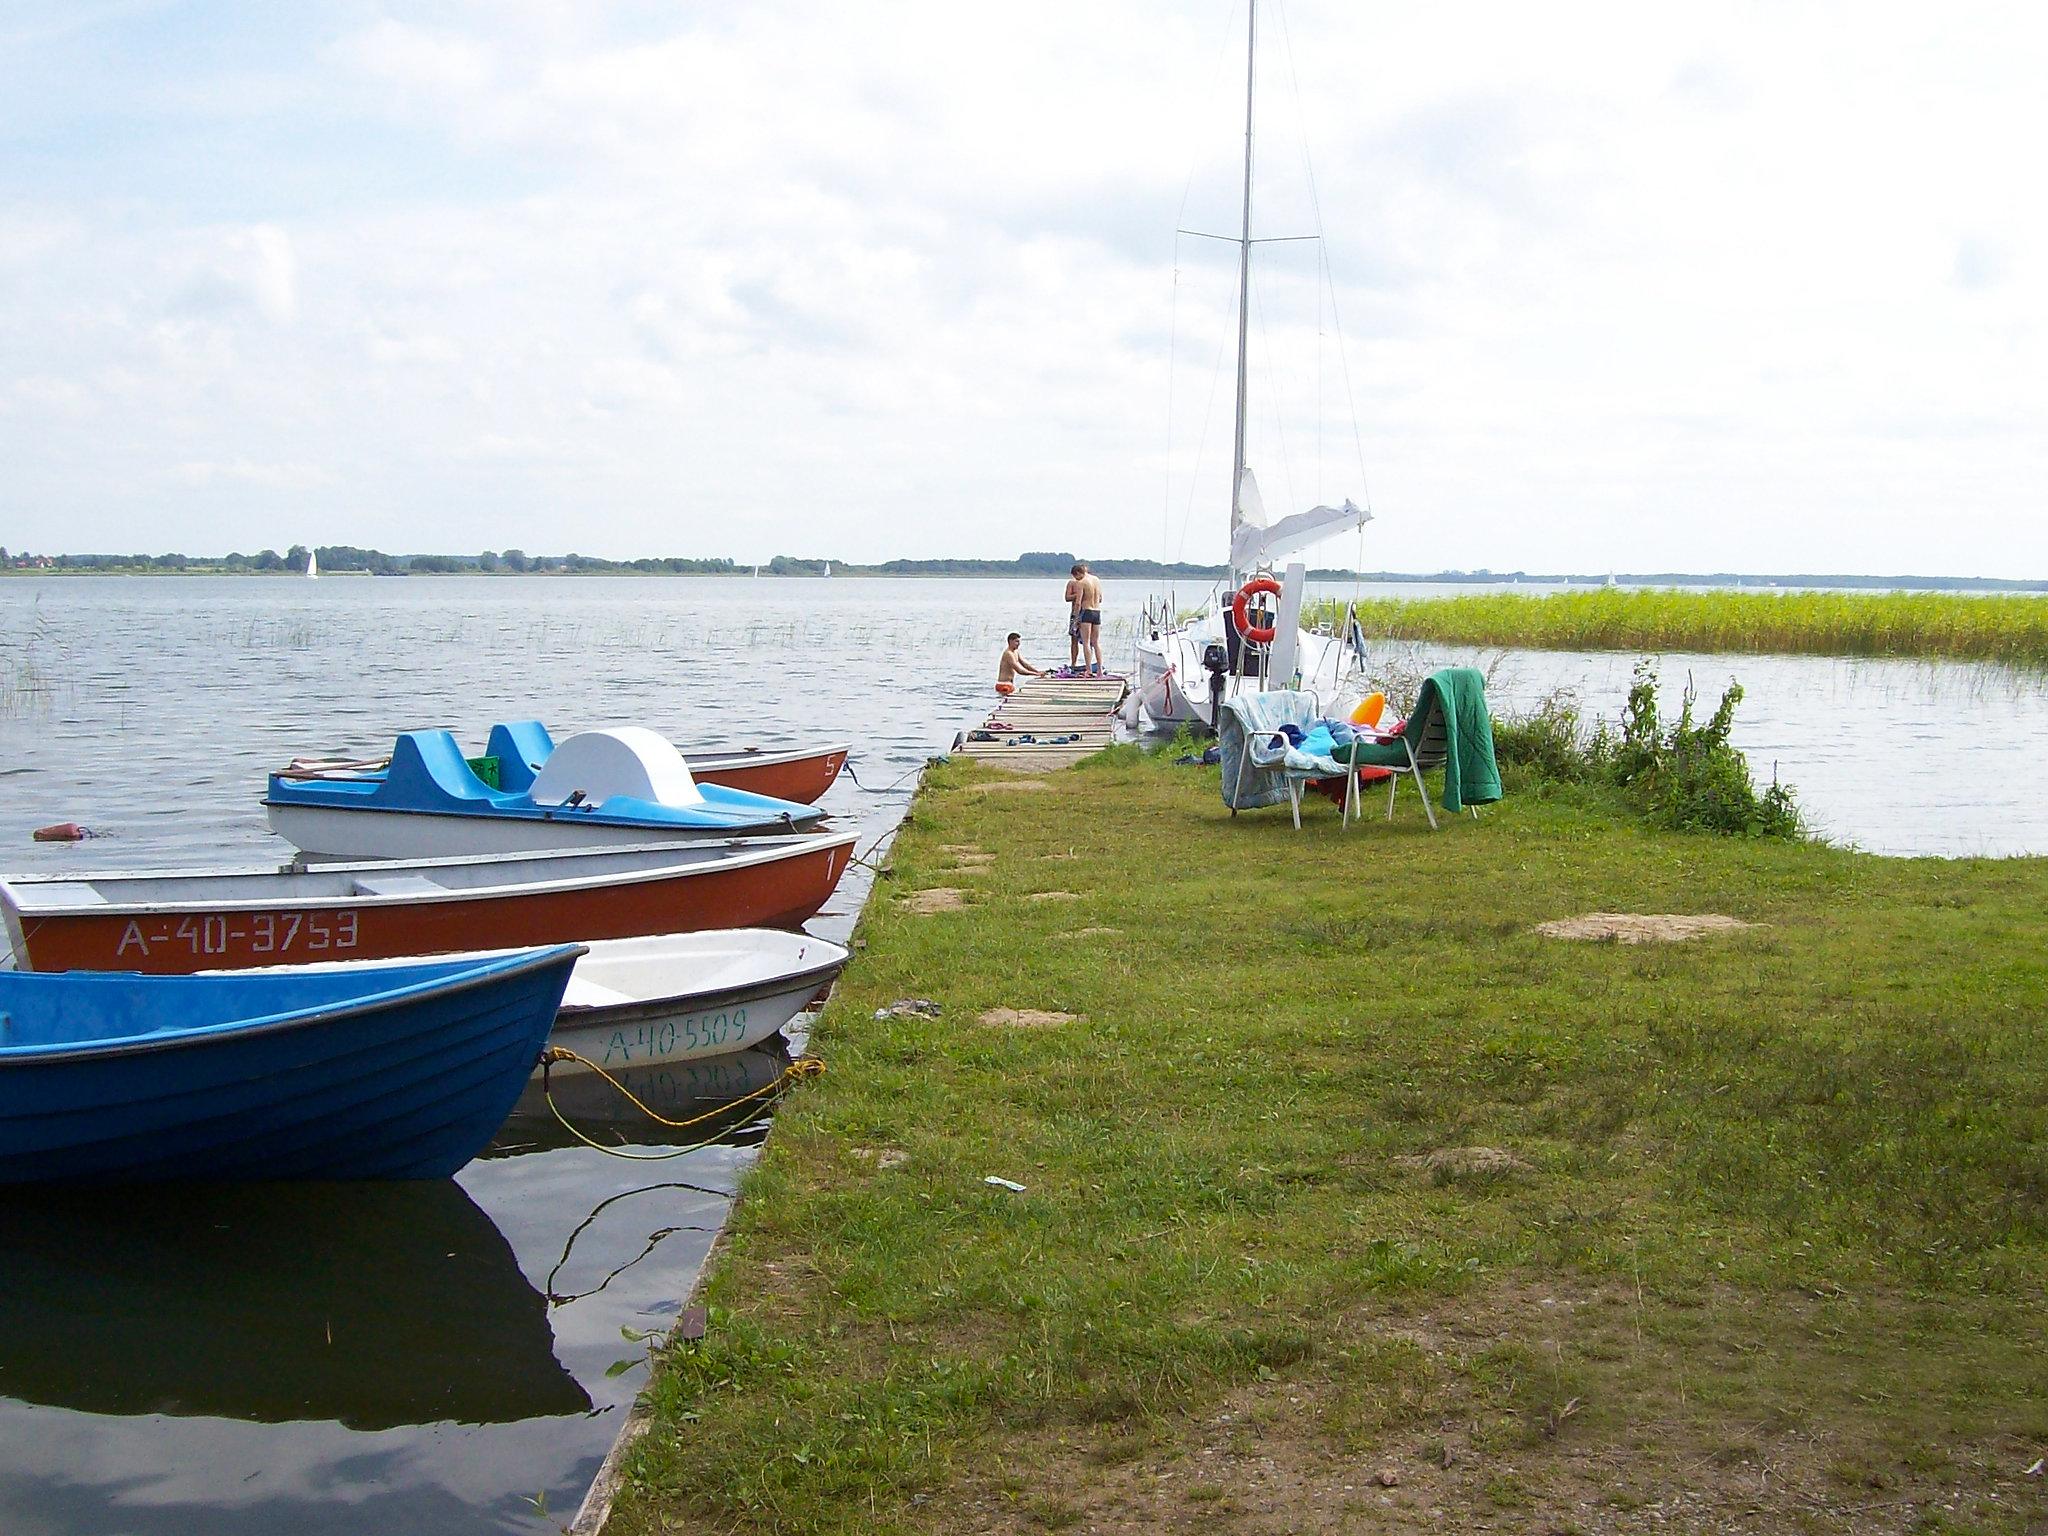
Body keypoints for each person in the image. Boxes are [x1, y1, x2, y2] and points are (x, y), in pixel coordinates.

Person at [1066, 561, 1104, 675]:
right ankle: (1100, 670)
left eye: (1075, 577)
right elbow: (1100, 598)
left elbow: (1078, 603)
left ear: (1078, 573)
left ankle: (1088, 670)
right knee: (1096, 642)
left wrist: (1076, 618)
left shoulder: (1081, 583)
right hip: (1097, 611)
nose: (1075, 579)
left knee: (1086, 642)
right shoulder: (1096, 580)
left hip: (1086, 612)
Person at [996, 632, 1043, 696]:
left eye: (1019, 642)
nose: (1019, 644)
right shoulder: (1008, 654)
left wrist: (1037, 671)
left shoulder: (1016, 652)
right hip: (1003, 685)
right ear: (1010, 641)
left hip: (1009, 684)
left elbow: (1024, 664)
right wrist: (1036, 674)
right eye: (1016, 641)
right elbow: (1019, 670)